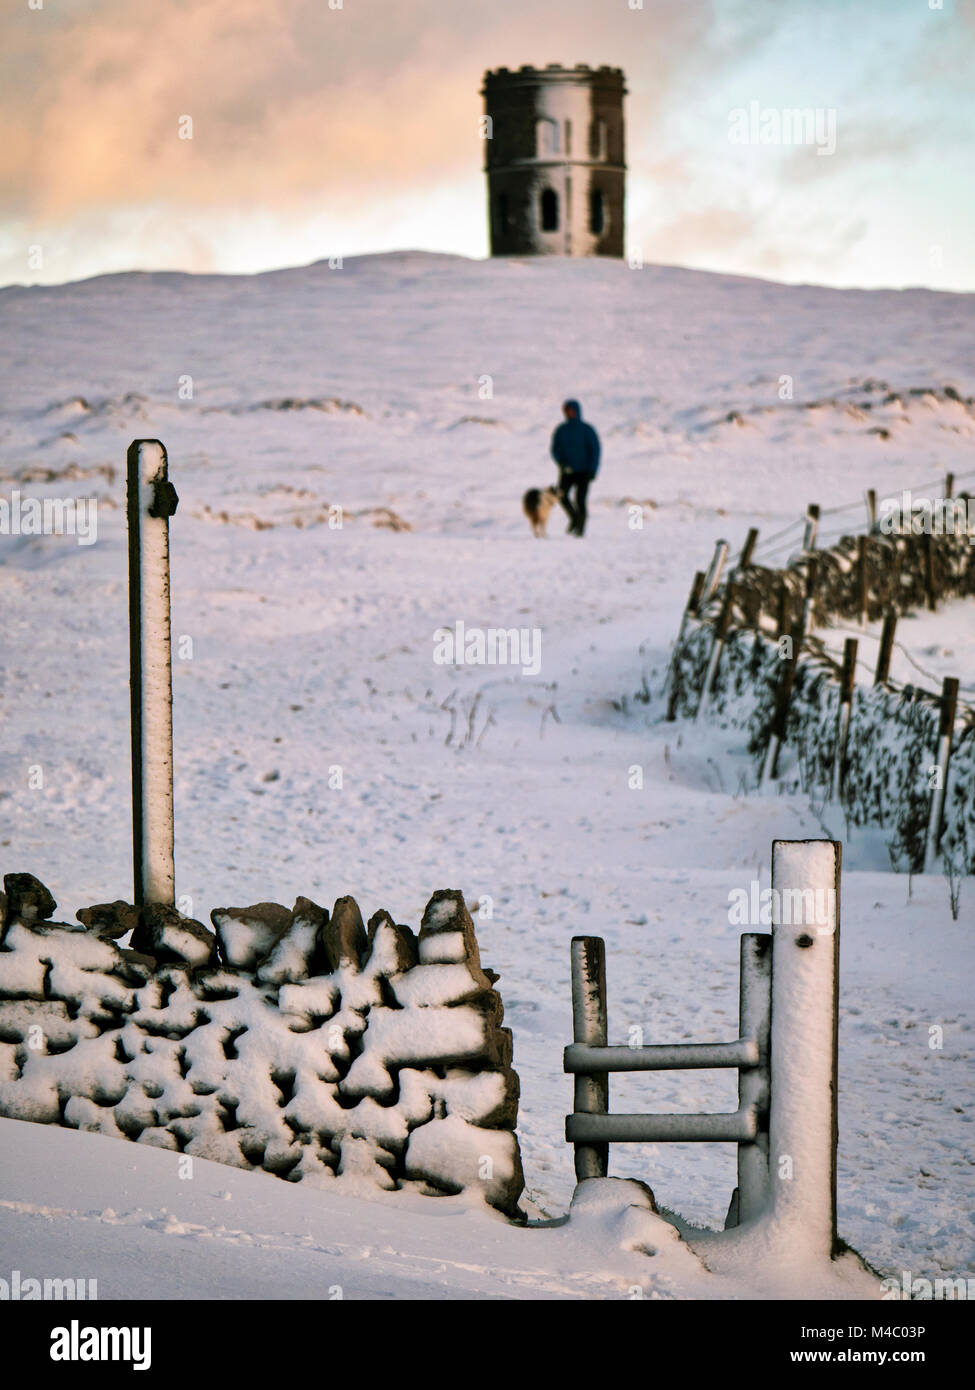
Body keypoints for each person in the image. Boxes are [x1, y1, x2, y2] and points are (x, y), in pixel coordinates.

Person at [550, 399, 600, 536]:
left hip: (584, 471)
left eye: (571, 410)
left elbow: (595, 450)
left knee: (580, 500)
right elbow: (555, 449)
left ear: (577, 411)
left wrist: (593, 469)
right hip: (567, 471)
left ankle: (580, 529)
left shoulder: (587, 429)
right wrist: (560, 462)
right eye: (566, 411)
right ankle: (574, 518)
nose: (569, 413)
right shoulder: (561, 430)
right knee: (561, 496)